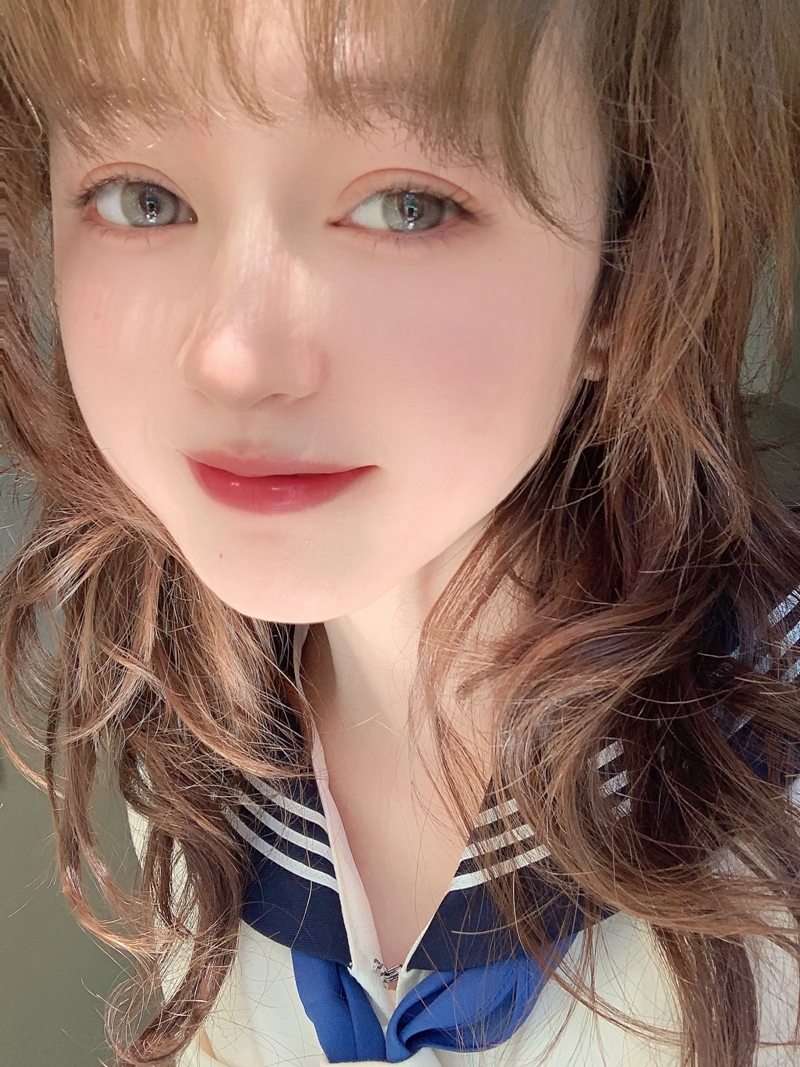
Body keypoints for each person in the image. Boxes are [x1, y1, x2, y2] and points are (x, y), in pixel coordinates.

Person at [1, 0, 800, 1063]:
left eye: (407, 207)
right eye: (143, 199)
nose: (234, 358)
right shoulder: (180, 728)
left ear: (626, 266)